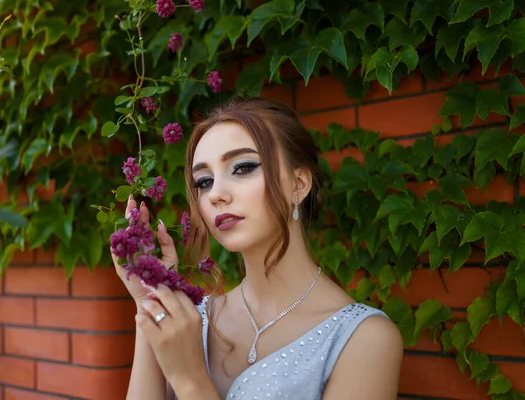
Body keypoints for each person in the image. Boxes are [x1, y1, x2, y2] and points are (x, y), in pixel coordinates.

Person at [112, 97, 404, 400]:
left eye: (242, 167)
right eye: (204, 181)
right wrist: (150, 301)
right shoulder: (189, 320)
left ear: (299, 184)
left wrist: (190, 379)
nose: (216, 195)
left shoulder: (363, 339)